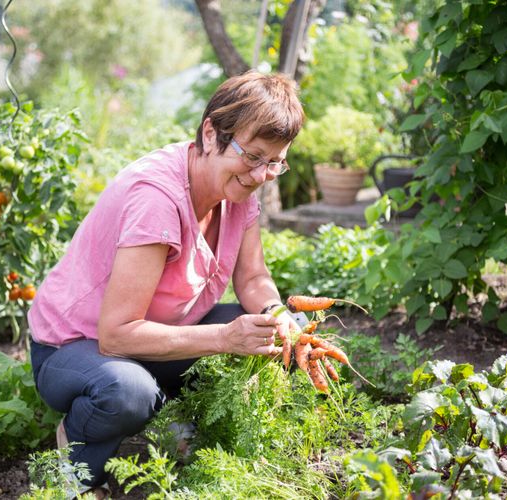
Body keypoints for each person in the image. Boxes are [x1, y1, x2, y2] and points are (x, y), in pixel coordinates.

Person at [27, 70, 305, 498]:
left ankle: (181, 430)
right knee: (127, 392)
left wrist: (276, 313)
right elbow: (117, 333)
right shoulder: (158, 198)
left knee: (271, 337)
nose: (260, 174)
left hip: (158, 333)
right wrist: (224, 337)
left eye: (274, 162)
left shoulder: (239, 191)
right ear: (211, 133)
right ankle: (76, 464)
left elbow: (252, 277)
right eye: (252, 156)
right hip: (77, 347)